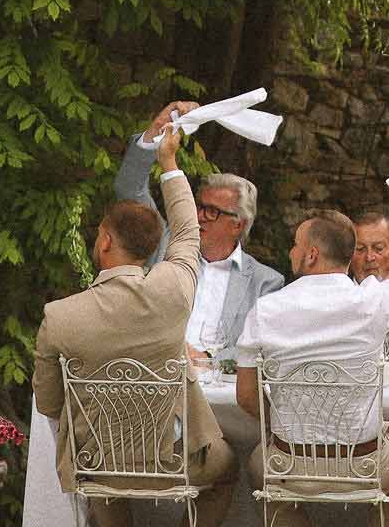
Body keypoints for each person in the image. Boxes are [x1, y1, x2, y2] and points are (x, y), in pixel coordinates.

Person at [35, 103, 238, 527]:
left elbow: (47, 404)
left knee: (97, 441)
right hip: (171, 461)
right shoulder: (174, 290)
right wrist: (171, 165)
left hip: (98, 460)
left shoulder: (58, 316)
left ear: (104, 241)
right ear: (153, 249)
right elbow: (188, 232)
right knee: (229, 467)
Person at [236, 175, 389, 527]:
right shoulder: (371, 302)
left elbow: (247, 398)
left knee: (256, 464)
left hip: (290, 461)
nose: (290, 252)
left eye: (294, 246)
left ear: (311, 255)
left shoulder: (266, 310)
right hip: (365, 464)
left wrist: (286, 426)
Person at [113, 110, 282, 361]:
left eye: (212, 211)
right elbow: (129, 189)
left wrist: (207, 359)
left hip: (218, 389)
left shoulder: (265, 282)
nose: (200, 216)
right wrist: (156, 129)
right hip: (157, 376)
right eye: (199, 206)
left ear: (238, 224)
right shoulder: (167, 244)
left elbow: (263, 347)